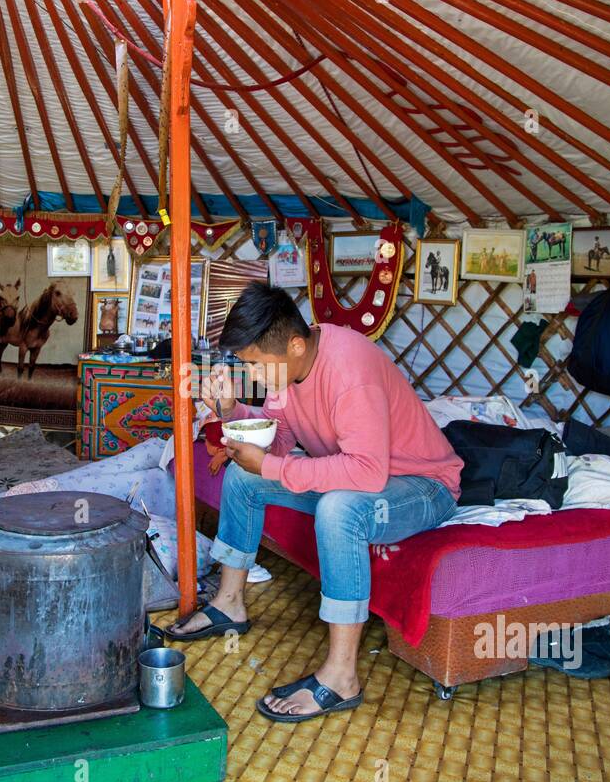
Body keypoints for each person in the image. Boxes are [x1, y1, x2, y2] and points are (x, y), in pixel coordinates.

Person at [164, 283, 463, 722]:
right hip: (363, 477)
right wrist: (232, 411)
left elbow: (366, 472)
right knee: (243, 478)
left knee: (338, 510)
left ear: (296, 344)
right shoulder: (288, 368)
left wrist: (270, 466)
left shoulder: (349, 371)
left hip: (421, 487)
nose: (257, 377)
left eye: (256, 365)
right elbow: (281, 441)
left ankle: (342, 677)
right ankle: (229, 603)